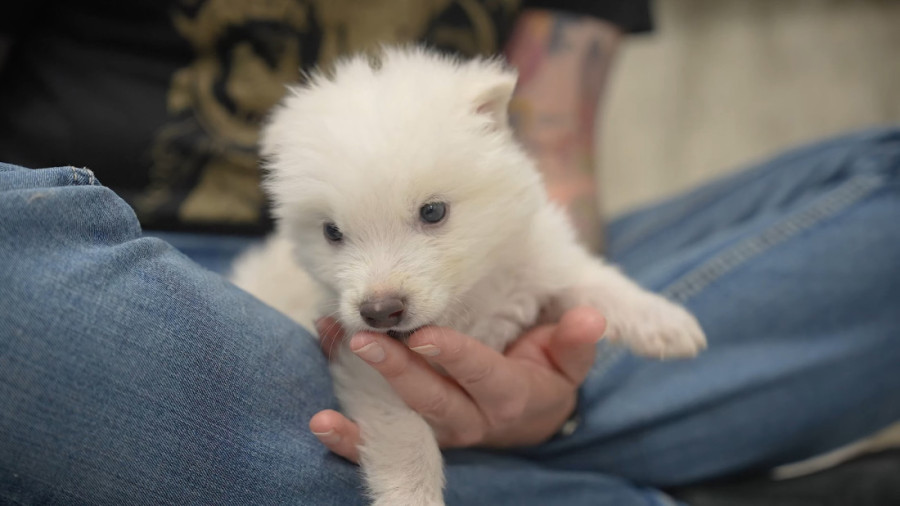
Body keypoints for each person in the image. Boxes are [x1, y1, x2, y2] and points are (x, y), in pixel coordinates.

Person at [1, 2, 898, 505]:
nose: (381, 291)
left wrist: (555, 370)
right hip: (133, 269)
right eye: (341, 235)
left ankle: (535, 454)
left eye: (429, 212)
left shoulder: (480, 147)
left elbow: (554, 203)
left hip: (494, 280)